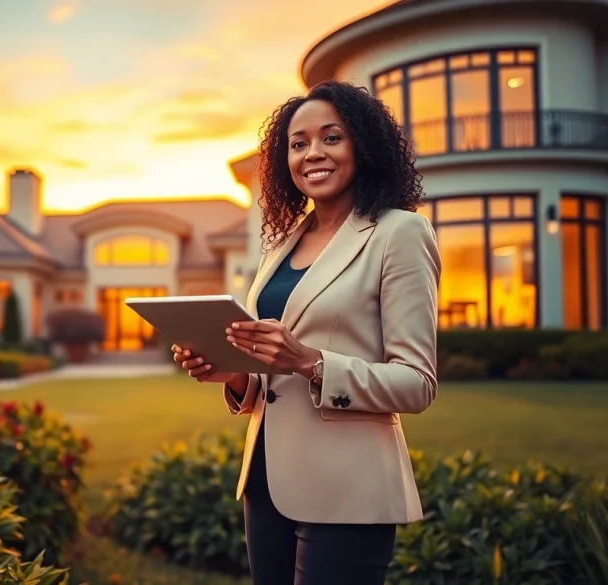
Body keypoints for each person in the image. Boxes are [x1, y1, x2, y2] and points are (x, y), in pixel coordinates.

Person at [171, 79, 441, 585]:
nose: (312, 153)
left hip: (349, 489)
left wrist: (310, 362)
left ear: (363, 144)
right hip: (266, 482)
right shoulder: (281, 246)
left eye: (331, 137)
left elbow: (417, 383)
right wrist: (233, 376)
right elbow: (269, 384)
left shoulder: (400, 233)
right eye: (298, 144)